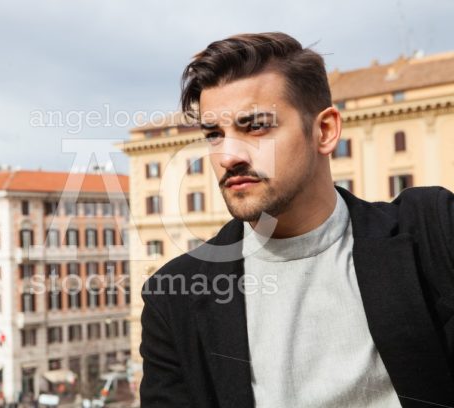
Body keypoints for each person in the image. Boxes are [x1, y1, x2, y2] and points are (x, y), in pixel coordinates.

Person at [139, 32, 454, 408]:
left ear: (324, 131)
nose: (228, 156)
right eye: (214, 134)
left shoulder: (432, 229)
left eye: (255, 126)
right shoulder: (174, 297)